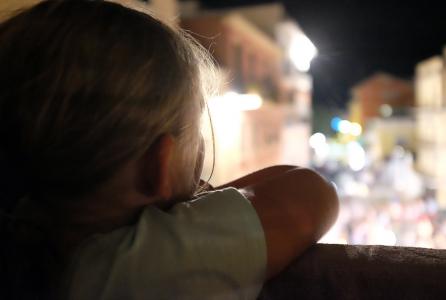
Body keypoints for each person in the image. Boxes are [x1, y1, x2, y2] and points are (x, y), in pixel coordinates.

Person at [0, 1, 339, 299]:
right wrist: (194, 208)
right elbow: (313, 193)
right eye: (197, 149)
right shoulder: (136, 267)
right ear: (156, 169)